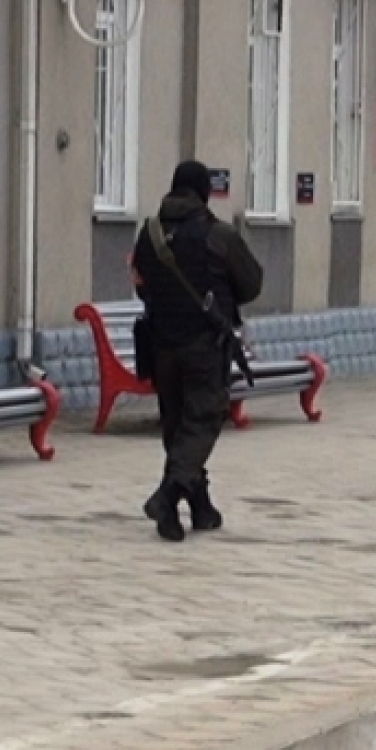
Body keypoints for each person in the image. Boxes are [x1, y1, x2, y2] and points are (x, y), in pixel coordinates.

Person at [131, 161, 263, 542]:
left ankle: (196, 508)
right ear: (203, 193)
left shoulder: (149, 234)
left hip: (161, 344)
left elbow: (141, 284)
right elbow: (251, 283)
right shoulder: (218, 236)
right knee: (203, 420)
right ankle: (168, 495)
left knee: (176, 426)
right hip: (203, 345)